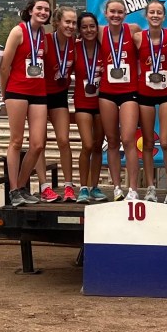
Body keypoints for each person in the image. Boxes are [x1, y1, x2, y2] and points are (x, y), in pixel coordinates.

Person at [0, 0, 50, 206]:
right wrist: (4, 94)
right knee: (16, 141)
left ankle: (20, 187)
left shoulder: (43, 34)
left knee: (37, 144)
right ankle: (13, 189)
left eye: (46, 9)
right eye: (39, 8)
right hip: (17, 91)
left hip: (38, 92)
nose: (43, 12)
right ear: (30, 10)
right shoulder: (18, 31)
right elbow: (4, 66)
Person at [134, 0, 167, 204]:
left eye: (159, 12)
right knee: (148, 142)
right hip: (145, 93)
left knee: (166, 142)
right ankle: (150, 187)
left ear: (164, 16)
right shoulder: (137, 38)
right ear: (146, 15)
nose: (155, 15)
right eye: (152, 12)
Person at [98, 0, 141, 201]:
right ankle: (116, 187)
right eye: (112, 12)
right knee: (112, 141)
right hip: (107, 92)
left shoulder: (133, 30)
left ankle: (133, 188)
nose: (116, 15)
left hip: (129, 91)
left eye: (120, 12)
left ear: (125, 14)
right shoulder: (99, 31)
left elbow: (153, 40)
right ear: (105, 13)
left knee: (129, 139)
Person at [35, 6, 77, 202]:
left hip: (60, 95)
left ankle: (68, 186)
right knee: (39, 143)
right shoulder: (45, 41)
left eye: (74, 23)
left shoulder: (75, 44)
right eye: (67, 22)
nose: (71, 26)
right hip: (40, 96)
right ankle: (44, 186)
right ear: (57, 23)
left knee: (64, 140)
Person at [73, 12, 107, 204]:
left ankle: (94, 186)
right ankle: (83, 187)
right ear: (79, 29)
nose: (88, 30)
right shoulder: (75, 48)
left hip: (102, 103)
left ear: (97, 27)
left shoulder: (105, 47)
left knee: (97, 145)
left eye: (92, 26)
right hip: (82, 103)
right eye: (84, 27)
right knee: (87, 144)